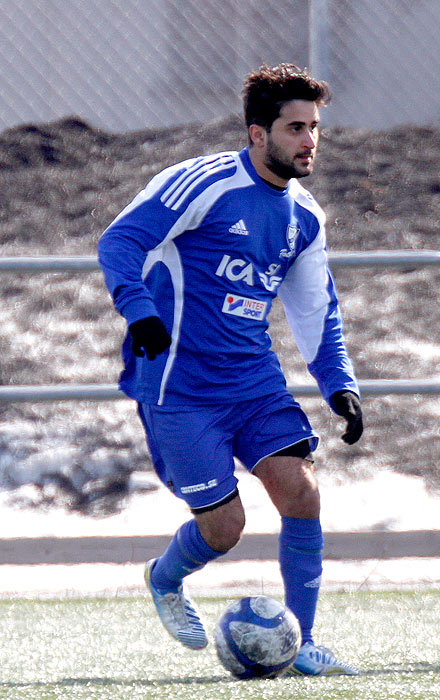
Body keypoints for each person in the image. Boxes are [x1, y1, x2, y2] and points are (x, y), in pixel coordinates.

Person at [98, 63, 363, 676]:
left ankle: (304, 644)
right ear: (256, 133)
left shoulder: (304, 216)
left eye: (315, 127)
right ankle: (165, 579)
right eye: (295, 127)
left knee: (301, 492)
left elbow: (315, 307)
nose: (309, 140)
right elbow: (119, 242)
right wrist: (139, 312)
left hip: (253, 381)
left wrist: (339, 383)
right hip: (177, 385)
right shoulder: (201, 184)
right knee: (225, 528)